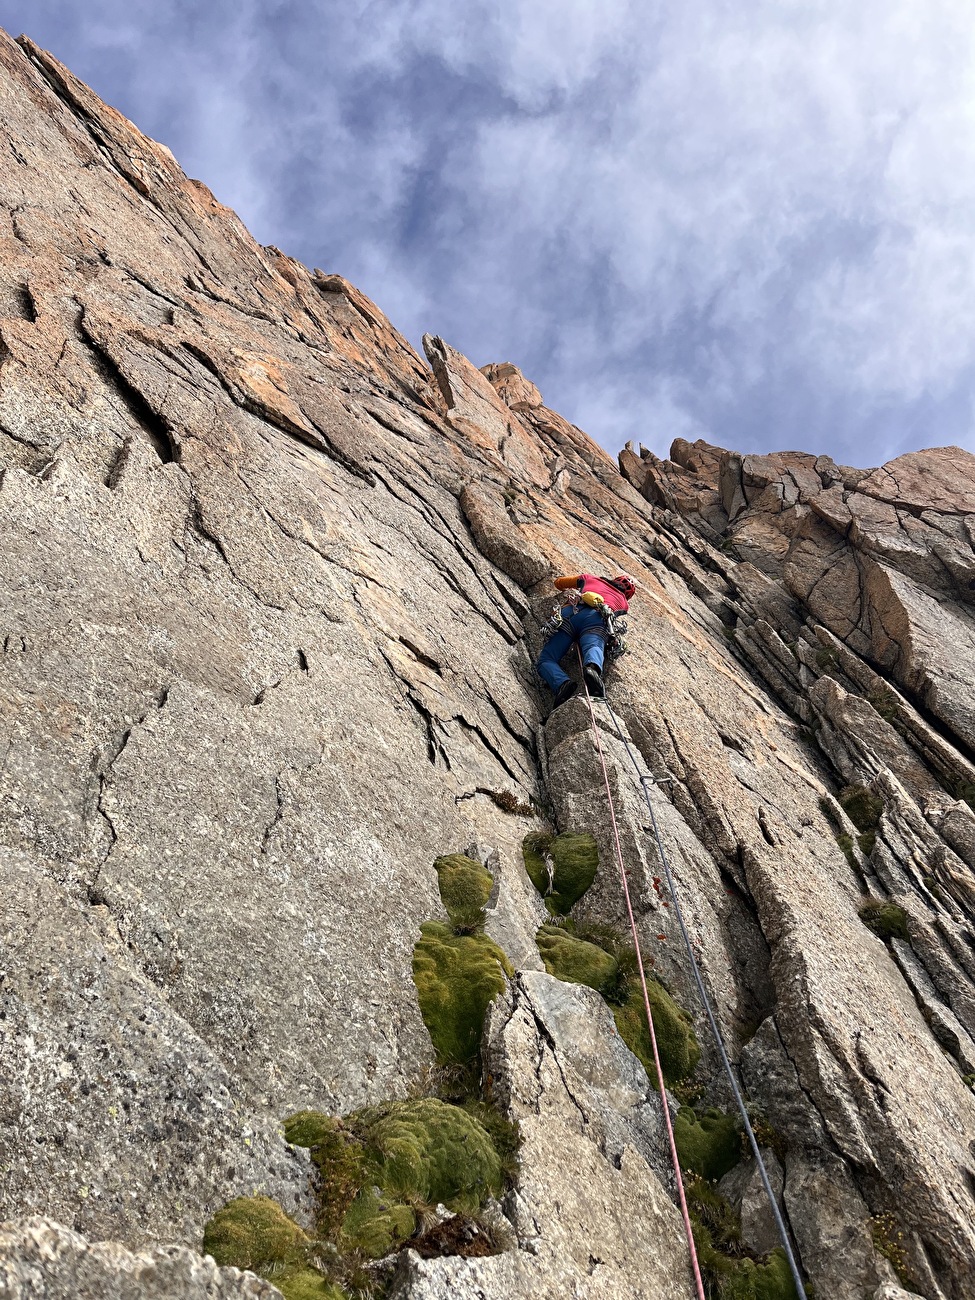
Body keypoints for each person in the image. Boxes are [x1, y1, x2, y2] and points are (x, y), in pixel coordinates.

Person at [537, 573, 636, 707]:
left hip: (571, 614)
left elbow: (559, 582)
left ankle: (562, 684)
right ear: (628, 596)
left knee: (547, 659)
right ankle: (592, 668)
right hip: (597, 621)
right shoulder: (623, 603)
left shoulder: (590, 578)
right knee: (593, 645)